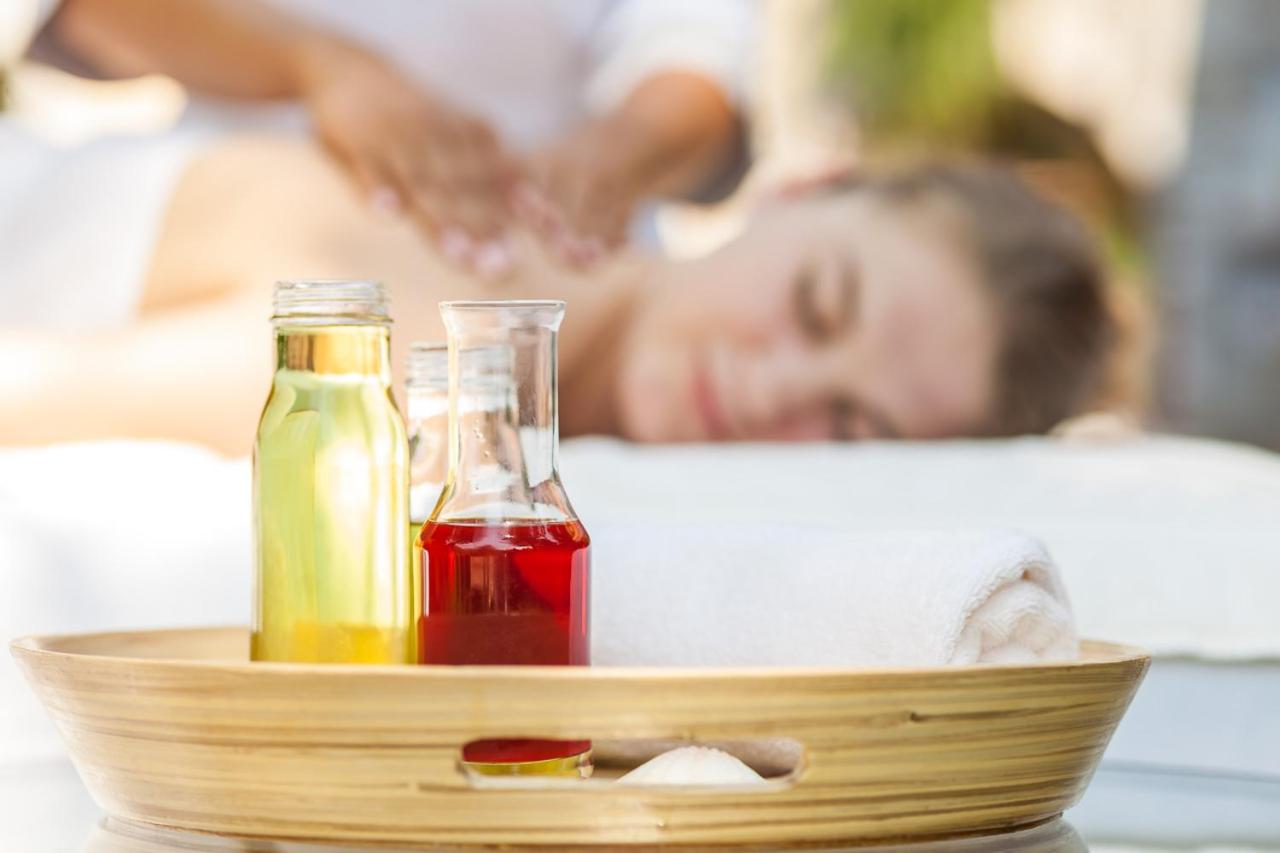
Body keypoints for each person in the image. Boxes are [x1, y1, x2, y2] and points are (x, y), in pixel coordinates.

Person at [0, 135, 1113, 454]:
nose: (774, 389)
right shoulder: (419, 343)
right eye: (818, 304)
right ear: (798, 188)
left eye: (851, 427)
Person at [28, 0, 753, 272]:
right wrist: (316, 65)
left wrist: (622, 149)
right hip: (247, 251)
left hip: (540, 269)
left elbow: (696, 53)